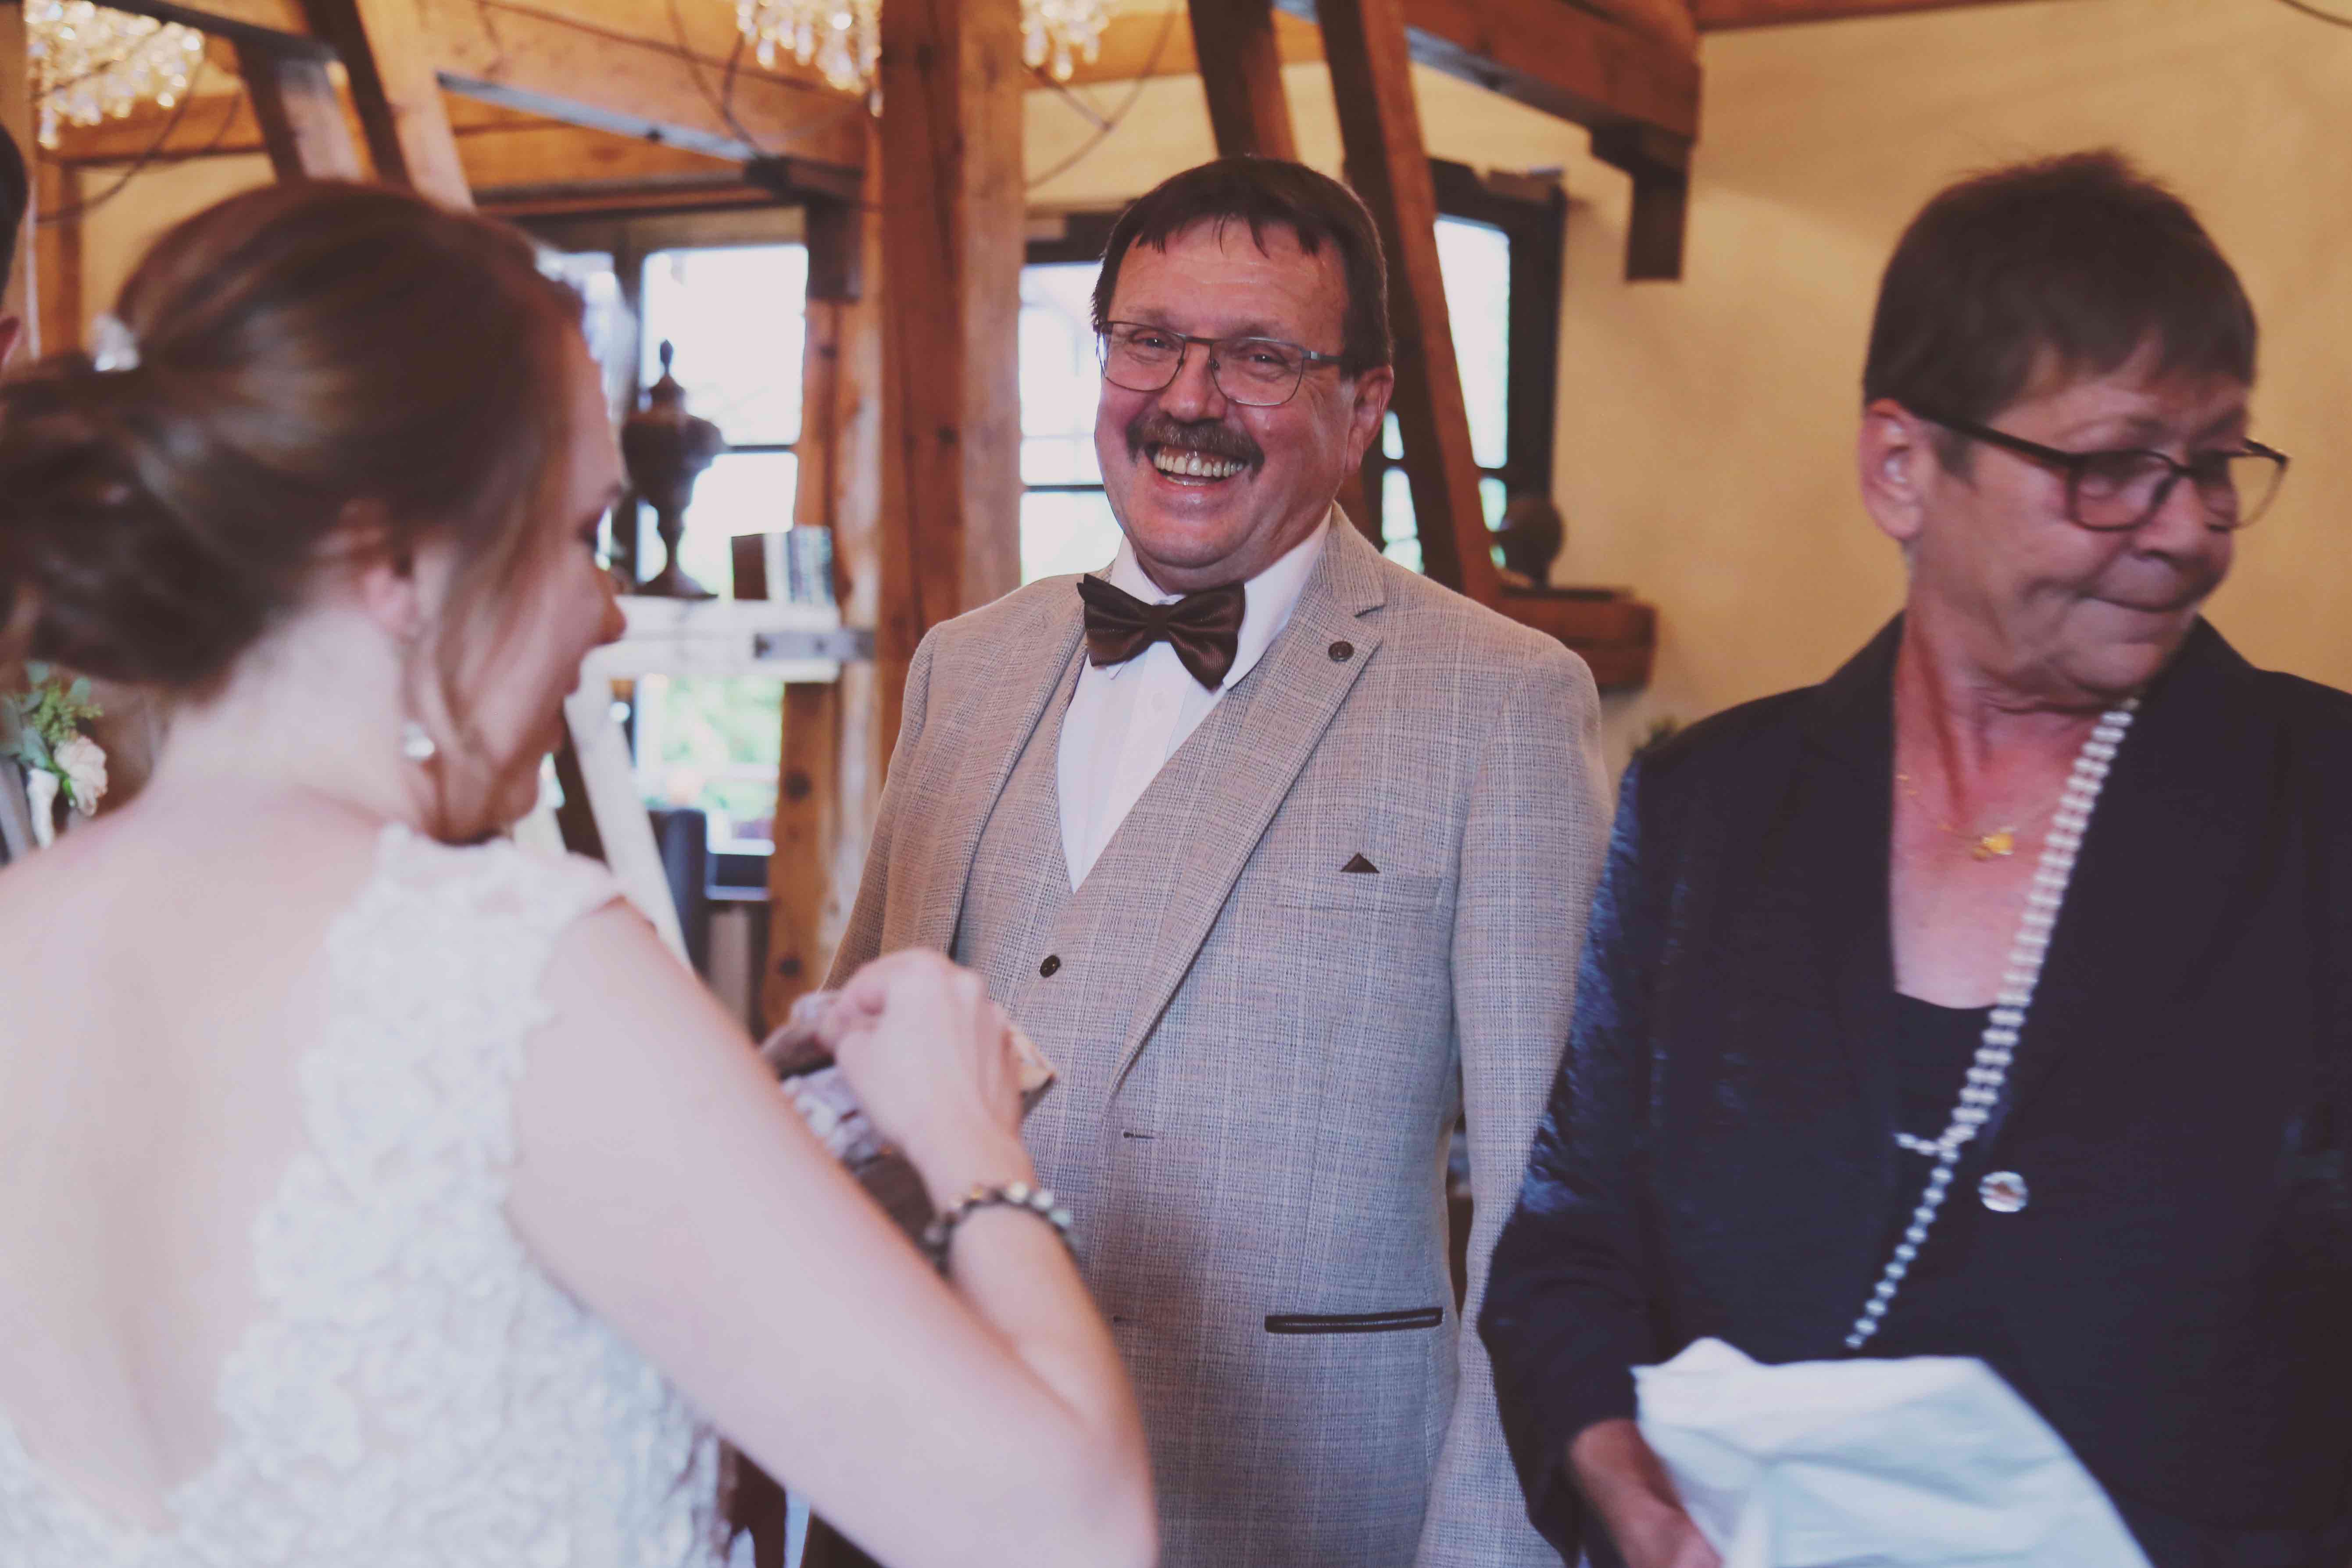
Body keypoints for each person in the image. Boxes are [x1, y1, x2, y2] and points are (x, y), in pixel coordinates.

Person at [0, 180, 1155, 1568]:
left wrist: (738, 1140)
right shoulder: (509, 973)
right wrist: (972, 1146)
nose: (605, 611)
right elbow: (1071, 1536)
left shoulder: (25, 931)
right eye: (576, 535)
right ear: (394, 559)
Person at [1480, 151, 2351, 1568]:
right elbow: (1568, 1256)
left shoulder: (2319, 811)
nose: (2190, 528)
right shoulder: (1711, 812)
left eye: (2212, 463)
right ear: (1902, 466)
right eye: (2111, 467)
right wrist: (1616, 1477)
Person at [814, 155, 1610, 1568]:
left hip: (1296, 1509)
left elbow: (1541, 1211)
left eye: (1258, 357)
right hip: (938, 1487)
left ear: (1361, 404)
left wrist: (1490, 1551)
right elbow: (856, 1097)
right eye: (1148, 342)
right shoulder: (963, 667)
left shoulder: (1502, 703)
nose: (1187, 399)